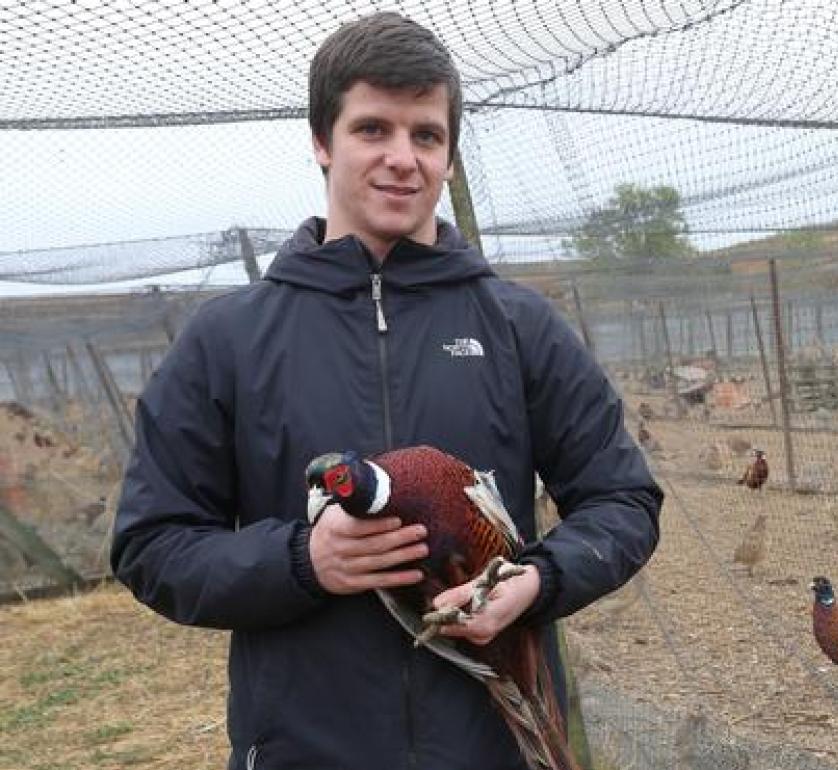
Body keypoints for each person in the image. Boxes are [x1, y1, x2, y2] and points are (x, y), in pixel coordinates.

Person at [110, 12, 662, 770]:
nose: (403, 158)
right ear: (321, 141)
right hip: (306, 749)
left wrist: (537, 578)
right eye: (373, 129)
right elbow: (152, 544)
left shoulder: (518, 327)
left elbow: (624, 501)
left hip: (491, 745)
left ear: (450, 157)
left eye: (426, 135)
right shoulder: (228, 341)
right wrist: (303, 563)